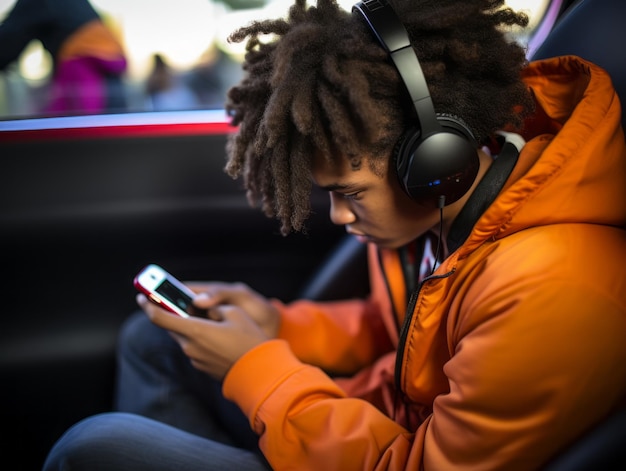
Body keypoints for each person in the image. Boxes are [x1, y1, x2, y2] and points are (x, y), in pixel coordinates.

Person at [43, 0, 626, 470]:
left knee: (91, 447)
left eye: (348, 193)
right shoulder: (443, 220)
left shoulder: (553, 287)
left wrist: (257, 369)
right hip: (363, 430)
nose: (341, 219)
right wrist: (278, 326)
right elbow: (393, 334)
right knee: (154, 341)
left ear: (432, 162)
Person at [0, 0, 127, 115]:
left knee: (74, 131)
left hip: (79, 76)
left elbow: (8, 40)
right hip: (110, 81)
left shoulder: (40, 3)